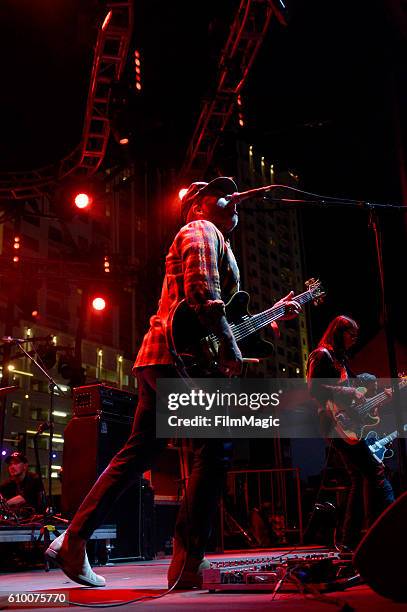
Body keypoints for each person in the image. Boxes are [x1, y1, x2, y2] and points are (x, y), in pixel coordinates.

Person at [46, 176, 301, 588]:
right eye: (222, 192)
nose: (233, 198)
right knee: (215, 450)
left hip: (161, 358)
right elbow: (203, 295)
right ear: (198, 205)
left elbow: (224, 317)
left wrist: (272, 315)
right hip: (178, 359)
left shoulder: (219, 239)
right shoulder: (201, 229)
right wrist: (231, 350)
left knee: (138, 454)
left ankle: (73, 540)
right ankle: (186, 563)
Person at [306, 315, 395, 552]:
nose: (355, 339)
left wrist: (375, 400)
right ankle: (394, 529)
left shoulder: (341, 361)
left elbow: (356, 395)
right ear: (338, 332)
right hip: (333, 423)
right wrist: (348, 392)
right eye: (351, 334)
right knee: (375, 471)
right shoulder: (321, 355)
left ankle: (350, 541)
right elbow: (313, 388)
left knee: (359, 477)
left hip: (347, 424)